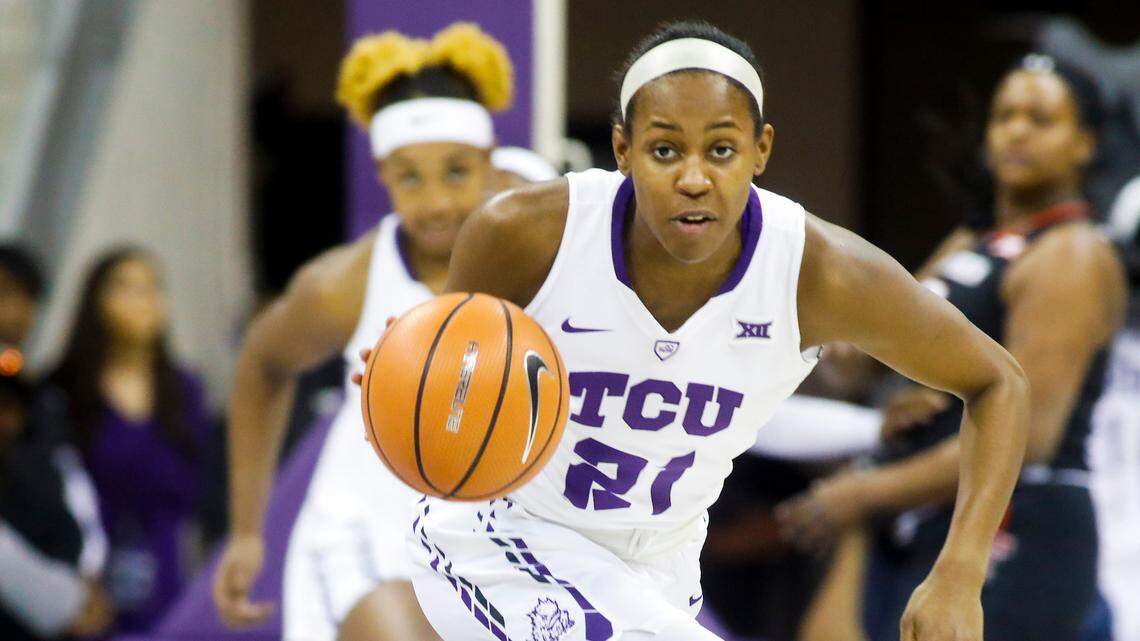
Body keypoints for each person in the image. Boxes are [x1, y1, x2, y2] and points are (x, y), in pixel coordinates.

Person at [362, 20, 1031, 641]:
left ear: (760, 150)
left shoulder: (818, 273)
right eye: (663, 149)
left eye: (720, 150)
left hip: (659, 564)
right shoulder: (525, 233)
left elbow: (999, 381)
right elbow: (444, 377)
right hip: (504, 536)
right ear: (623, 149)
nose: (692, 178)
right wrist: (404, 379)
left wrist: (960, 570)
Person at [781, 55, 1128, 641]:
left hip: (1020, 525)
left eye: (1040, 119)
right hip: (925, 511)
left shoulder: (1072, 255)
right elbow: (866, 358)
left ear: (1084, 144)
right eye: (1004, 116)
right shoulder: (975, 239)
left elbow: (1028, 436)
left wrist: (866, 492)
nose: (1016, 130)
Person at [211, 23, 524, 641]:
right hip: (366, 528)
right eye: (411, 178)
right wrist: (247, 531)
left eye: (456, 172)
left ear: (489, 161)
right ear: (382, 175)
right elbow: (261, 364)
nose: (435, 202)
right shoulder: (343, 284)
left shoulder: (542, 242)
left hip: (500, 530)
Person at [50, 247, 212, 635]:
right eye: (127, 288)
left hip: (171, 579)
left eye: (152, 288)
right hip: (88, 589)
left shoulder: (185, 390)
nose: (144, 301)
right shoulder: (64, 392)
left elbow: (201, 492)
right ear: (97, 301)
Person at [0, 244, 112, 641]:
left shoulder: (43, 398)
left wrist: (87, 574)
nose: (16, 314)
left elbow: (73, 486)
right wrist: (60, 603)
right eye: (5, 294)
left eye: (28, 299)